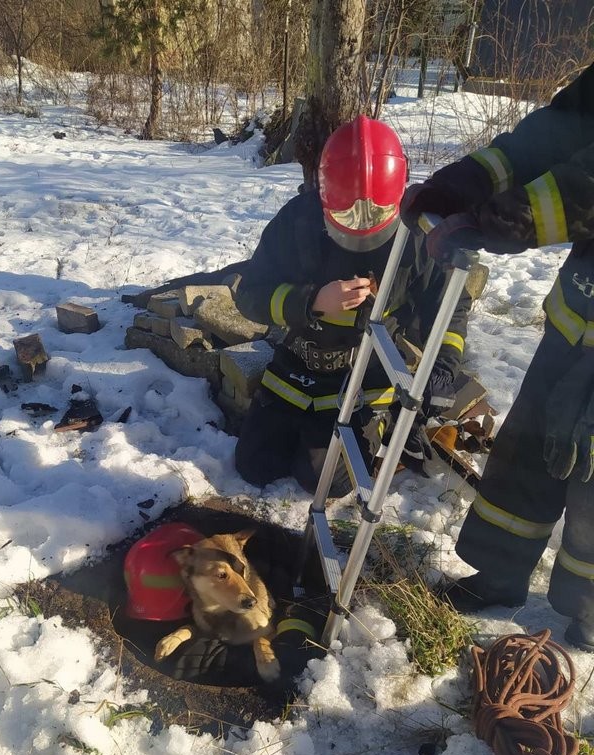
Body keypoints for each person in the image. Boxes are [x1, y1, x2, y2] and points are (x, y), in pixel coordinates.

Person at [401, 61, 594, 650]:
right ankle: (499, 574)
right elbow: (555, 132)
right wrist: (464, 182)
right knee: (528, 444)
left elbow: (584, 185)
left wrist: (502, 220)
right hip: (580, 314)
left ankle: (589, 610)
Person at [233, 116, 472, 497]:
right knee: (254, 467)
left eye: (376, 214)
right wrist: (310, 301)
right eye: (346, 216)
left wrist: (443, 369)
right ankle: (302, 432)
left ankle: (374, 426)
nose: (361, 225)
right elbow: (248, 295)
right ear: (326, 194)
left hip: (366, 379)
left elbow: (451, 308)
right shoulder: (297, 221)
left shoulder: (418, 236)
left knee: (326, 482)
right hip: (298, 368)